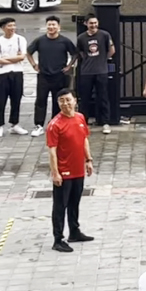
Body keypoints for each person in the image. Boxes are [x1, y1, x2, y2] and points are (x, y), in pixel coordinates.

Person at [45, 90, 95, 253]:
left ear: (75, 101)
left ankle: (74, 231)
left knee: (74, 203)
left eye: (68, 100)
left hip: (78, 170)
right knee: (60, 206)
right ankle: (58, 239)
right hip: (64, 172)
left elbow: (84, 139)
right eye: (61, 101)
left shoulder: (80, 118)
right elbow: (52, 151)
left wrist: (88, 160)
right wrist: (55, 172)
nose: (65, 104)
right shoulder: (55, 125)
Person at [28, 16, 78, 136]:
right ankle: (39, 125)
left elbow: (75, 54)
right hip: (43, 75)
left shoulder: (65, 41)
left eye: (54, 25)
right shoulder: (40, 40)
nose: (51, 27)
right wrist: (34, 64)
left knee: (59, 101)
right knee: (41, 100)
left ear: (58, 27)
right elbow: (28, 52)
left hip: (60, 76)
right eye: (49, 25)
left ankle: (55, 124)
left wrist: (69, 66)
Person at [0, 17, 30, 137]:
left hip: (17, 73)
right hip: (1, 74)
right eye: (9, 26)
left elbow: (22, 57)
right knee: (1, 100)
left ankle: (15, 124)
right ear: (3, 28)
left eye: (13, 25)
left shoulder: (20, 39)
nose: (12, 28)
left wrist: (6, 58)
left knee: (16, 99)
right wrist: (15, 58)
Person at [76, 15, 116, 135]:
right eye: (91, 23)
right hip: (86, 72)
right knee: (85, 98)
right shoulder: (81, 37)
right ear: (86, 24)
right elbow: (80, 52)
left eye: (95, 23)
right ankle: (83, 122)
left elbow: (112, 50)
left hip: (101, 71)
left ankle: (105, 122)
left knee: (103, 97)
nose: (93, 25)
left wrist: (103, 59)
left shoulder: (104, 35)